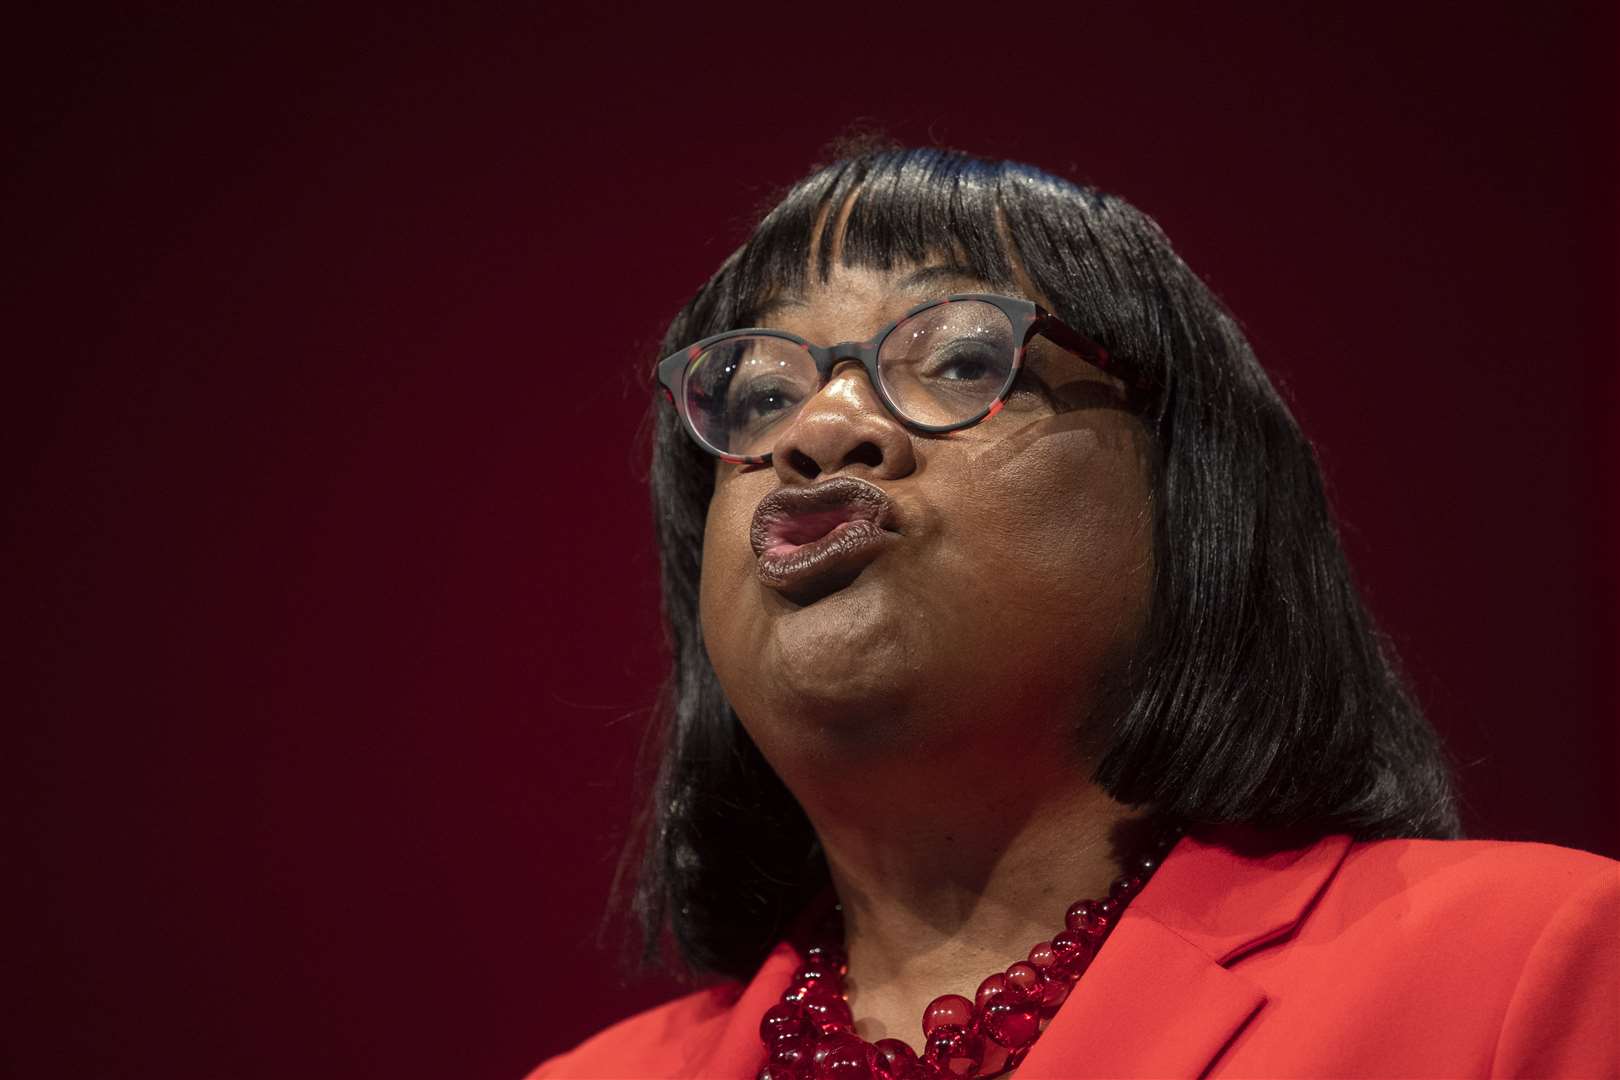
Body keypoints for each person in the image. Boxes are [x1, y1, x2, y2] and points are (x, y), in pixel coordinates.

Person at [530, 145, 1617, 1079]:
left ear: (1194, 494)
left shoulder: (1529, 966)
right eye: (761, 395)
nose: (820, 434)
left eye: (959, 359)